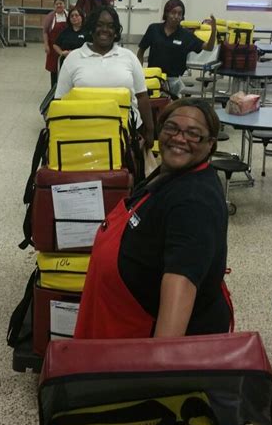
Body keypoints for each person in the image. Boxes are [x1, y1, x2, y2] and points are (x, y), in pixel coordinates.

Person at [74, 97, 232, 339]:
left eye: (193, 134)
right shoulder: (170, 173)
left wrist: (156, 369)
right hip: (120, 321)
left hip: (141, 339)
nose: (179, 138)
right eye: (171, 127)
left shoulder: (194, 204)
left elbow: (180, 290)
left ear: (210, 144)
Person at [55, 6, 154, 148]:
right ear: (91, 27)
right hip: (84, 135)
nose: (105, 30)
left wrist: (150, 131)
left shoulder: (129, 57)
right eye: (99, 25)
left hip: (127, 134)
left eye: (110, 26)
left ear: (115, 31)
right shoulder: (73, 59)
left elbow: (142, 96)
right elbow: (60, 101)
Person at [137, 0, 217, 96]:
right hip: (153, 78)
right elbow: (141, 52)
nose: (176, 16)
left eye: (180, 14)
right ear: (166, 13)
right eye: (173, 13)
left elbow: (209, 47)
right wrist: (140, 73)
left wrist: (213, 30)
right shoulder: (154, 29)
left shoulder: (186, 35)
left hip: (173, 81)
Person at [42, 0, 67, 87]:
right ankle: (53, 89)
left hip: (65, 48)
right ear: (54, 6)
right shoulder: (50, 17)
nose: (59, 5)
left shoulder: (68, 15)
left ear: (64, 5)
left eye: (61, 3)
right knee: (54, 70)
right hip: (53, 48)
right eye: (57, 4)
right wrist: (46, 45)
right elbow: (45, 32)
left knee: (65, 69)